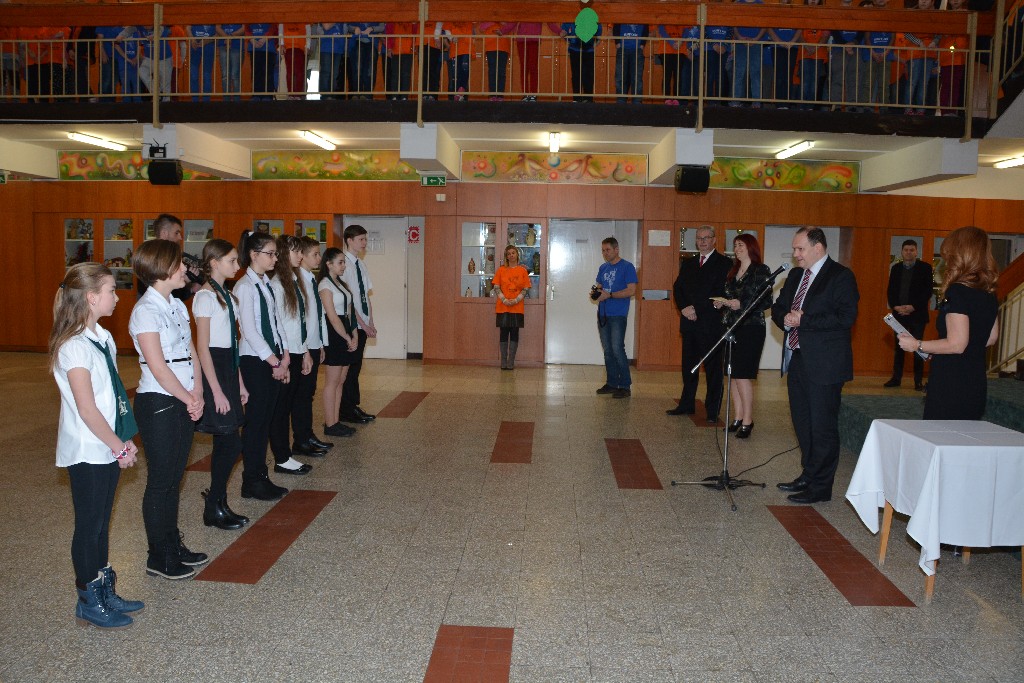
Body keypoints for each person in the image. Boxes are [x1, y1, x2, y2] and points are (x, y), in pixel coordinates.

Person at [51, 263, 143, 629]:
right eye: (111, 290)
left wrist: (124, 438)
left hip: (107, 442)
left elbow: (112, 397)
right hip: (88, 448)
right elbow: (87, 408)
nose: (116, 297)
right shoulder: (74, 347)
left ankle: (104, 589)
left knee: (103, 523)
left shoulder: (101, 337)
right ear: (91, 298)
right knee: (89, 525)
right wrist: (117, 446)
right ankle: (88, 600)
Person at [129, 239, 208, 579]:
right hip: (159, 401)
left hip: (184, 395)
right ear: (162, 268)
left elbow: (191, 351)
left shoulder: (175, 304)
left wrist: (198, 390)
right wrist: (188, 398)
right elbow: (158, 367)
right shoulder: (145, 311)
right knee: (161, 482)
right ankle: (158, 556)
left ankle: (172, 544)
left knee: (175, 479)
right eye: (179, 264)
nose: (185, 269)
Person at [772, 227, 859, 504]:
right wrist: (785, 318)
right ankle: (808, 474)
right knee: (803, 423)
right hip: (798, 359)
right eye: (795, 249)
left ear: (818, 248)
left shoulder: (841, 276)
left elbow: (846, 317)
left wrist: (804, 320)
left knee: (822, 427)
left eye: (800, 249)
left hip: (826, 364)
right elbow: (779, 307)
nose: (795, 254)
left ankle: (821, 487)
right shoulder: (795, 276)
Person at [898, 226, 999, 420]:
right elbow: (990, 338)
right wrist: (936, 349)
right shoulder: (989, 291)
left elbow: (957, 344)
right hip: (975, 378)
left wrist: (917, 345)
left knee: (939, 431)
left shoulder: (958, 292)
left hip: (951, 380)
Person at [192, 239, 250, 531]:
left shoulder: (227, 295)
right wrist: (215, 391)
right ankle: (214, 502)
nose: (237, 266)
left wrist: (239, 383)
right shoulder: (205, 297)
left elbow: (233, 345)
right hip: (213, 369)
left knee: (228, 441)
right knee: (231, 442)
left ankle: (218, 503)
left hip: (228, 368)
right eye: (231, 261)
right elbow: (203, 348)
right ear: (214, 262)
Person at [233, 230, 291, 501]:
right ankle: (252, 480)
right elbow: (250, 331)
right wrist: (274, 361)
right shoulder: (245, 287)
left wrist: (285, 355)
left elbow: (277, 322)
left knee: (266, 419)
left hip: (273, 357)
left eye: (276, 254)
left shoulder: (266, 283)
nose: (275, 259)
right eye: (270, 254)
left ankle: (260, 475)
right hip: (255, 360)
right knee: (256, 423)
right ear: (254, 255)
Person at [668, 225, 731, 423]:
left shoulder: (725, 263)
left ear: (714, 240)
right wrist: (684, 307)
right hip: (689, 323)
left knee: (713, 369)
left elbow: (721, 292)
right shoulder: (689, 263)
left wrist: (696, 309)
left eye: (706, 238)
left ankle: (712, 410)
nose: (702, 241)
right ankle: (686, 404)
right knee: (689, 366)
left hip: (711, 324)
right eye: (699, 238)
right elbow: (678, 288)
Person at [712, 234, 772, 438]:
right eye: (735, 245)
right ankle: (737, 417)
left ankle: (748, 420)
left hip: (751, 327)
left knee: (743, 375)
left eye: (741, 245)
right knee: (733, 374)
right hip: (731, 326)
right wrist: (722, 302)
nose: (737, 249)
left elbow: (766, 301)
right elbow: (730, 297)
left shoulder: (760, 270)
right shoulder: (733, 270)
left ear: (751, 247)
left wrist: (741, 304)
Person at [268, 235, 317, 476]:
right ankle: (282, 457)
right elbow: (279, 327)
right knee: (281, 409)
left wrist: (305, 351)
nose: (300, 256)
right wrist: (284, 360)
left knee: (290, 404)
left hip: (297, 350)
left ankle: (287, 454)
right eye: (295, 252)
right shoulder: (277, 285)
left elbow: (299, 322)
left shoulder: (294, 282)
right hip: (285, 354)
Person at [294, 237, 336, 451]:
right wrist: (305, 349)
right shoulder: (296, 281)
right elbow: (299, 319)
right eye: (315, 254)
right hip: (303, 346)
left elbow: (318, 316)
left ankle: (308, 435)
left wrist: (321, 344)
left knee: (308, 393)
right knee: (301, 395)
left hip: (313, 343)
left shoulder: (311, 279)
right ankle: (301, 439)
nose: (319, 258)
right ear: (301, 256)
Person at [318, 247, 359, 437]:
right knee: (332, 382)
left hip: (345, 329)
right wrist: (346, 337)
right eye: (340, 262)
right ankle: (330, 423)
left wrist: (354, 334)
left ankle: (336, 420)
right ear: (329, 264)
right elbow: (333, 316)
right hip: (335, 334)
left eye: (344, 262)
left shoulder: (340, 283)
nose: (343, 266)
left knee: (341, 380)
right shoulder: (325, 285)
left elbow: (349, 312)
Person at [339, 225, 377, 424]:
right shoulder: (343, 264)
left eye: (365, 239)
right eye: (361, 239)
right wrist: (361, 323)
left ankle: (353, 405)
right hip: (352, 324)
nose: (364, 243)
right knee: (350, 368)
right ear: (349, 240)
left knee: (356, 367)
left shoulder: (360, 264)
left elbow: (365, 295)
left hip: (363, 323)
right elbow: (348, 301)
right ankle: (345, 409)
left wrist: (371, 321)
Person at [884, 239, 933, 390]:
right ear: (902, 252)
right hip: (899, 315)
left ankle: (918, 381)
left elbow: (928, 291)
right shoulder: (896, 268)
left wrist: (913, 307)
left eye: (912, 250)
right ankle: (896, 379)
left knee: (918, 348)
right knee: (899, 348)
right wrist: (896, 306)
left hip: (917, 315)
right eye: (906, 250)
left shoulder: (925, 268)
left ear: (916, 252)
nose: (909, 252)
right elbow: (891, 290)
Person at [593, 237, 638, 399]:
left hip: (618, 314)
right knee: (608, 351)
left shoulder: (627, 267)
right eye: (603, 250)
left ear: (616, 249)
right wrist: (595, 293)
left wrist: (610, 295)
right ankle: (612, 383)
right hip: (603, 314)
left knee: (617, 349)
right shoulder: (603, 267)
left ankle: (625, 385)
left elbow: (631, 290)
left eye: (608, 250)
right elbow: (599, 287)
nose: (605, 253)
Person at [138, 214, 202, 299]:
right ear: (164, 233)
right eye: (176, 233)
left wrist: (190, 283)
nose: (180, 237)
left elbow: (175, 296)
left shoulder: (171, 256)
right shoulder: (151, 257)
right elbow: (164, 290)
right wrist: (185, 281)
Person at [492, 245, 531, 370]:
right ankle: (503, 362)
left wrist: (516, 300)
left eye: (513, 253)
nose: (511, 255)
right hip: (502, 307)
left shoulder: (522, 271)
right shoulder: (501, 270)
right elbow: (496, 287)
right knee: (503, 334)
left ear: (517, 254)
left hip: (517, 307)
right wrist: (504, 299)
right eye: (508, 253)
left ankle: (511, 362)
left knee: (514, 333)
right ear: (506, 256)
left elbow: (525, 288)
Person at [613, 23, 649, 104]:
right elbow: (616, 25)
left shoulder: (642, 18)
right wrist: (617, 42)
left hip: (637, 49)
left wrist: (642, 44)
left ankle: (637, 101)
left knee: (637, 77)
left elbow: (646, 27)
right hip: (622, 48)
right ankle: (621, 100)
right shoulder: (620, 17)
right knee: (620, 76)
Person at [513, 22, 542, 101]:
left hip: (533, 40)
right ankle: (525, 94)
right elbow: (513, 21)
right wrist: (502, 31)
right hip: (522, 41)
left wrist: (559, 31)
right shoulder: (521, 13)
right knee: (524, 68)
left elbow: (549, 21)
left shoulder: (539, 14)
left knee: (533, 67)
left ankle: (533, 94)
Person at [187, 24, 217, 102]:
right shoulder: (194, 18)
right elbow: (188, 27)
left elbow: (218, 33)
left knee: (207, 75)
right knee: (194, 75)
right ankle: (194, 101)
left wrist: (207, 41)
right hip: (195, 49)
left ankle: (206, 101)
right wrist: (192, 39)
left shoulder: (214, 19)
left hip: (208, 49)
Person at [216, 23, 244, 101]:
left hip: (237, 45)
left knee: (235, 75)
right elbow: (217, 27)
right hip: (223, 44)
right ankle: (226, 100)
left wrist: (231, 36)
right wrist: (227, 37)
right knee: (225, 75)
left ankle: (236, 100)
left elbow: (244, 27)